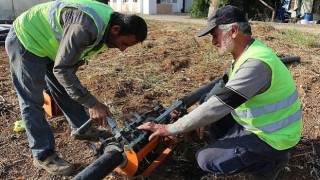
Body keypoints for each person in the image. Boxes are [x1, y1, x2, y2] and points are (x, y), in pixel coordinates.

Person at [138, 5, 302, 180]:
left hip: (275, 137)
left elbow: (218, 105)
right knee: (207, 105)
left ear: (233, 31)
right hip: (260, 124)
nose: (213, 42)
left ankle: (269, 165)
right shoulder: (248, 52)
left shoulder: (255, 64)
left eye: (215, 35)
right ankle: (240, 153)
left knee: (205, 159)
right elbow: (223, 84)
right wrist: (203, 113)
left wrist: (170, 128)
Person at [5, 0, 147, 176]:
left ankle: (82, 128)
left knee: (66, 87)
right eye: (124, 43)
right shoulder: (85, 27)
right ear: (116, 30)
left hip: (51, 46)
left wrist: (77, 90)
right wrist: (93, 104)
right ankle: (42, 154)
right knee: (32, 100)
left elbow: (68, 66)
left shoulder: (108, 27)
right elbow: (63, 69)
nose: (122, 50)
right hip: (28, 40)